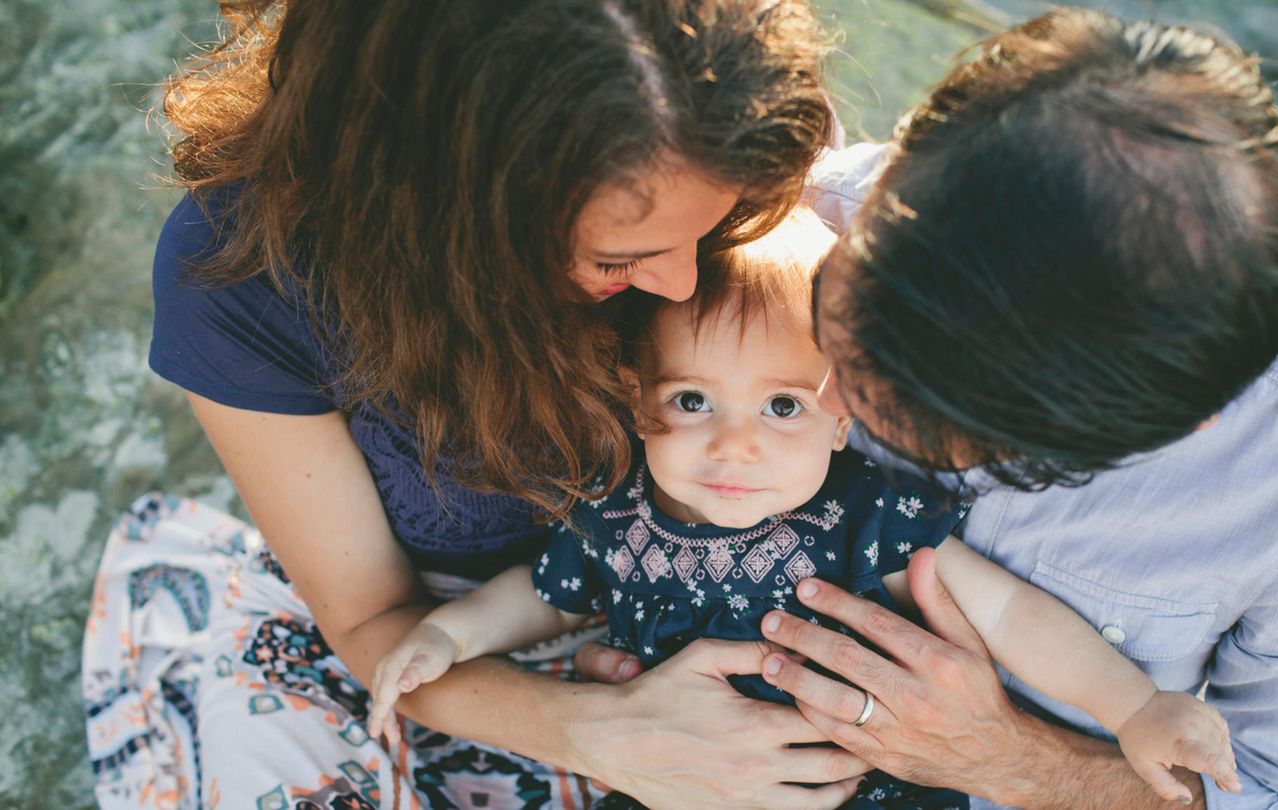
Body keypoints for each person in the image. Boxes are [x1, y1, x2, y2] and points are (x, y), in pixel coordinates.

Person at [582, 8, 1278, 809]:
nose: (826, 402)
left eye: (911, 413)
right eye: (831, 324)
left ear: (1169, 426)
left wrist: (1016, 762)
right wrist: (595, 723)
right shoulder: (775, 232)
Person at [81, 2, 879, 808]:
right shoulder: (246, 274)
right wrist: (603, 729)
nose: (681, 284)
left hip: (711, 608)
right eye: (617, 257)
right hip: (453, 646)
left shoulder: (725, 130)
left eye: (710, 230)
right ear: (449, 213)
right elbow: (372, 621)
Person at [364, 210, 1243, 807]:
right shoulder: (616, 510)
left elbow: (1010, 613)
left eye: (782, 407)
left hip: (861, 792)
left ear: (841, 420)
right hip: (673, 785)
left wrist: (1135, 710)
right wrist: (452, 636)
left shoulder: (868, 513)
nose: (734, 446)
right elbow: (548, 591)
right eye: (693, 401)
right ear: (636, 397)